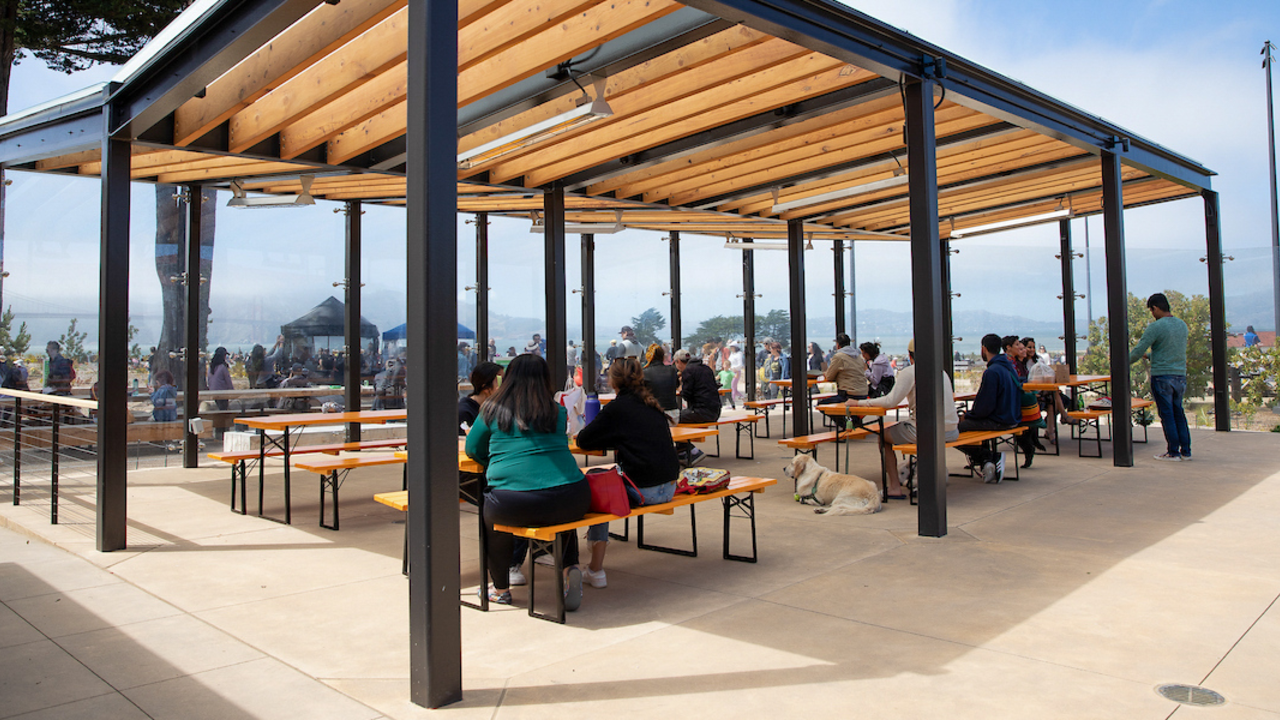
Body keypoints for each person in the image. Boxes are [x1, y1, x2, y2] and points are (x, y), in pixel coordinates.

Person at [465, 354, 590, 609]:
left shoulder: (491, 409)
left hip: (515, 501)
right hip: (574, 496)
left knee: (493, 521)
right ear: (544, 379)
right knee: (560, 509)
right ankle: (569, 570)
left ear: (508, 378)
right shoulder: (556, 410)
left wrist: (496, 463)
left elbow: (473, 448)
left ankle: (500, 589)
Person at [575, 358, 681, 589]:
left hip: (644, 491)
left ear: (613, 380)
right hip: (669, 487)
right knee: (608, 481)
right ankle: (595, 568)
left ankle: (596, 568)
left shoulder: (616, 408)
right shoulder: (651, 404)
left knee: (599, 486)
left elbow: (584, 440)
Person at [849, 339, 958, 497]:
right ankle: (913, 471)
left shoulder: (911, 371)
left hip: (927, 431)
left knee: (883, 437)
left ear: (909, 355)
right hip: (951, 430)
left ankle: (894, 487)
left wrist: (858, 403)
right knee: (911, 433)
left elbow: (890, 401)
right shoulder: (941, 371)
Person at [1130, 292, 1191, 461]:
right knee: (1179, 413)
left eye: (1151, 310)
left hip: (1162, 377)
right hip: (1179, 376)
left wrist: (1121, 362)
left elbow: (1137, 351)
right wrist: (1150, 356)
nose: (1152, 314)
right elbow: (1170, 352)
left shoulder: (1156, 327)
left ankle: (1173, 452)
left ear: (1155, 308)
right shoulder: (1182, 325)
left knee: (1167, 415)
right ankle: (1186, 451)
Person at [956, 333, 1022, 483]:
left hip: (998, 420)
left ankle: (989, 457)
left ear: (983, 349)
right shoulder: (1008, 367)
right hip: (1012, 417)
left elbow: (984, 407)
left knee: (951, 430)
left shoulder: (992, 372)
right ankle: (986, 460)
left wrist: (969, 415)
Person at [673, 347, 720, 466]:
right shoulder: (705, 368)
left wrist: (680, 388)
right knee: (679, 417)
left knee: (673, 418)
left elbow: (687, 394)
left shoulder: (689, 371)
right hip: (715, 411)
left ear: (678, 361)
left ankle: (690, 451)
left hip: (702, 411)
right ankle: (683, 450)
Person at [1002, 336, 1044, 468]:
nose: (1021, 347)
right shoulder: (1009, 362)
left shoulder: (1011, 361)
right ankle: (1030, 446)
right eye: (1017, 344)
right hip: (1016, 400)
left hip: (1013, 401)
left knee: (1021, 427)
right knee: (1023, 426)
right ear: (1009, 348)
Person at [819, 333, 869, 423]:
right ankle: (853, 421)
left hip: (848, 394)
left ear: (838, 345)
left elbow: (829, 377)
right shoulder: (858, 356)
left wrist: (826, 373)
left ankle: (847, 424)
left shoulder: (839, 356)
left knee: (821, 405)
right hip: (864, 393)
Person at [642, 343, 680, 423]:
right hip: (674, 415)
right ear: (663, 356)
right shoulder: (672, 370)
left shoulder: (644, 373)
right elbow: (676, 385)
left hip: (654, 415)